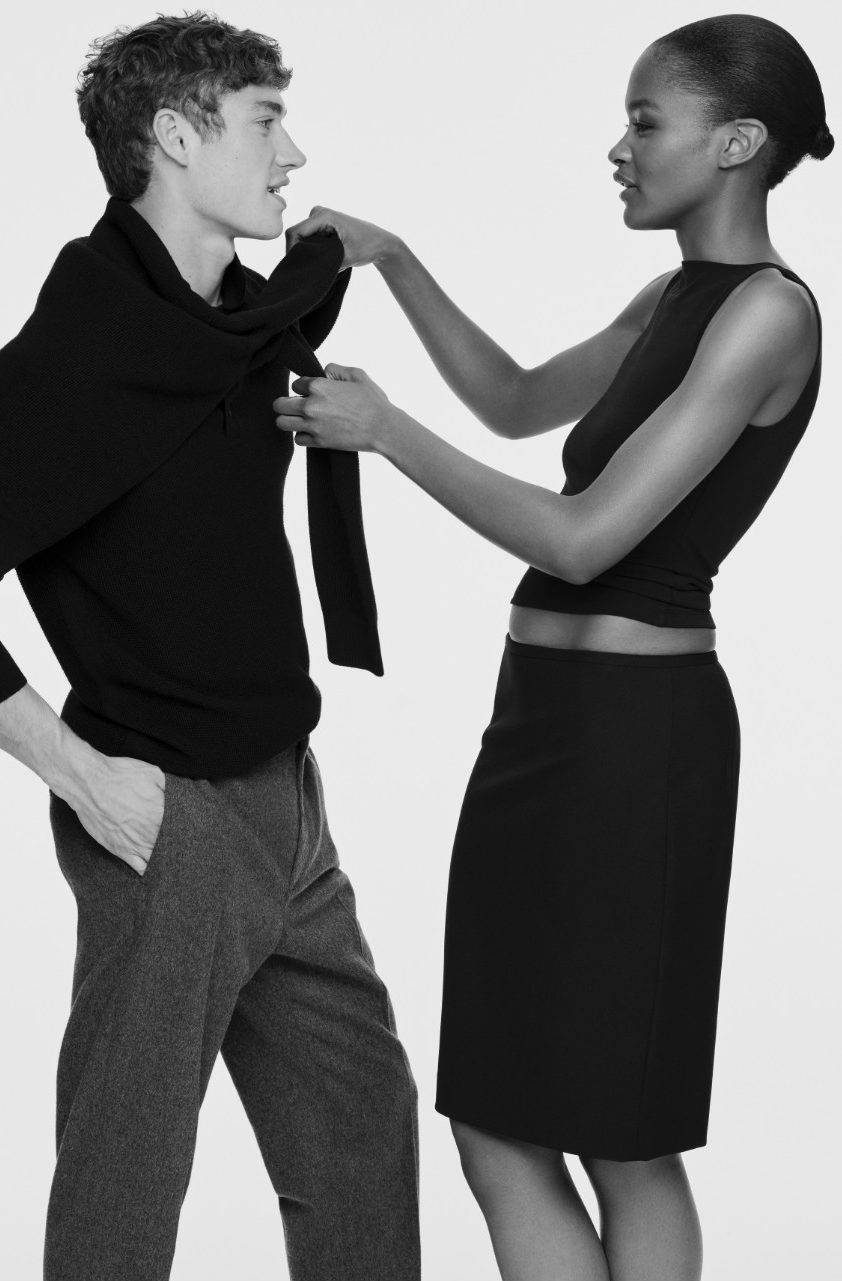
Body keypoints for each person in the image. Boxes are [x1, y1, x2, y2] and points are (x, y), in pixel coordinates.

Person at [273, 13, 831, 1281]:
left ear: (737, 142)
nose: (619, 149)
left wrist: (386, 435)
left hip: (639, 750)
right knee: (496, 1119)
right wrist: (396, 259)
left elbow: (585, 540)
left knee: (621, 1137)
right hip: (541, 725)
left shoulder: (770, 316)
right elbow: (518, 400)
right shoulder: (673, 297)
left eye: (645, 121)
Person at [0, 12, 420, 1281]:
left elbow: (302, 284)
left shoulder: (233, 317)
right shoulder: (82, 354)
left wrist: (349, 245)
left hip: (291, 811)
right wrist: (86, 780)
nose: (294, 154)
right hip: (164, 821)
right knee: (124, 1193)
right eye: (266, 122)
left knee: (361, 1131)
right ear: (176, 137)